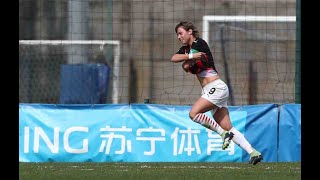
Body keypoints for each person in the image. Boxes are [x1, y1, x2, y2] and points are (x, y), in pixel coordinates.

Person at [170, 21, 263, 165]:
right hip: (211, 90)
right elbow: (175, 59)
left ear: (190, 31)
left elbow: (188, 66)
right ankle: (253, 152)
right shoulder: (187, 50)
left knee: (193, 114)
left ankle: (223, 134)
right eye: (177, 34)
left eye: (180, 33)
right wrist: (190, 58)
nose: (178, 37)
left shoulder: (199, 43)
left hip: (216, 87)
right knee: (227, 126)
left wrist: (189, 61)